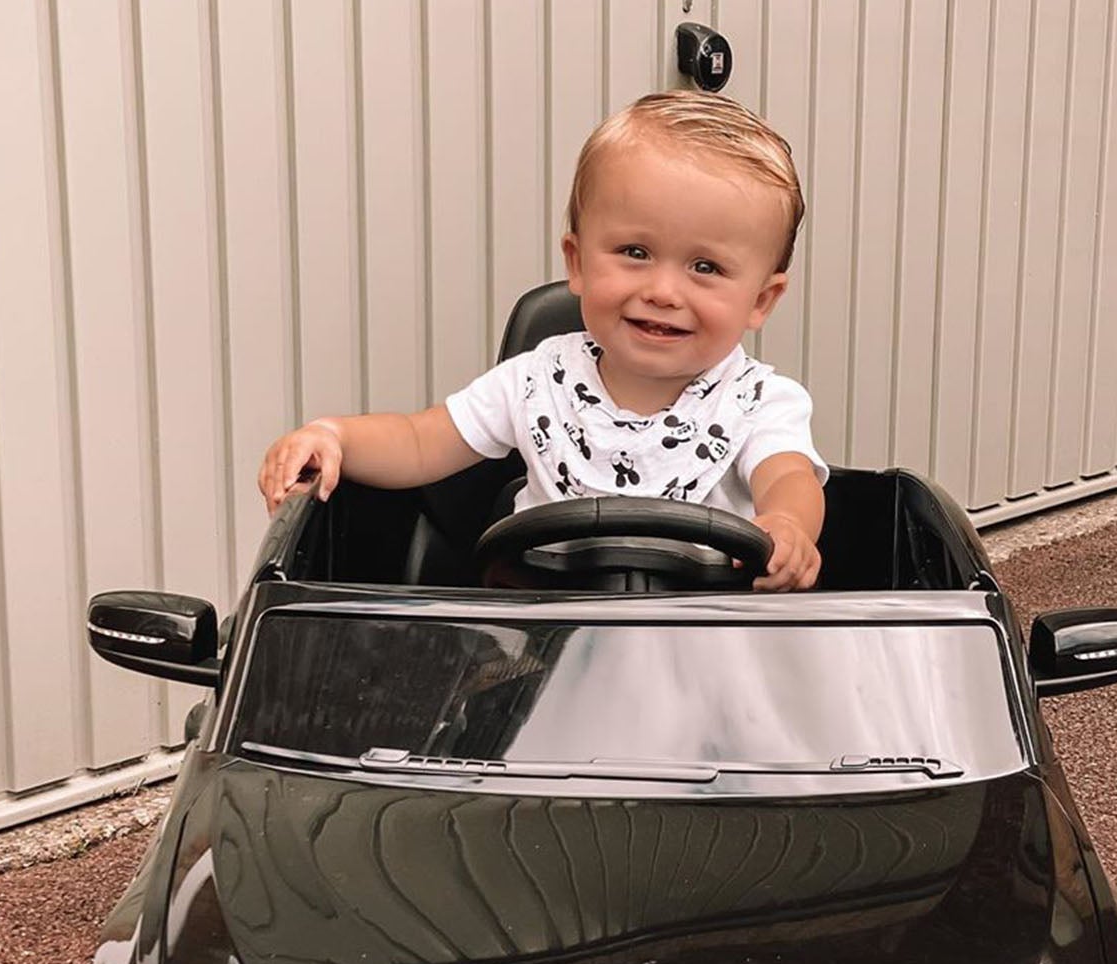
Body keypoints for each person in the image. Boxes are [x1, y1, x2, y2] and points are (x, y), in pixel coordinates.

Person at [257, 91, 827, 591]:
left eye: (705, 267)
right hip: (542, 641)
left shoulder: (758, 402)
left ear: (761, 300)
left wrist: (788, 525)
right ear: (577, 262)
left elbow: (787, 477)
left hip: (707, 643)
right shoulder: (536, 381)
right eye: (635, 252)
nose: (662, 291)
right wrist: (334, 435)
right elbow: (419, 441)